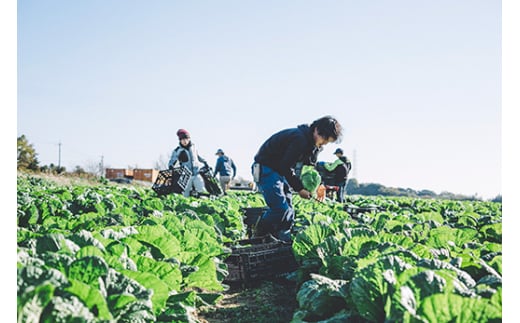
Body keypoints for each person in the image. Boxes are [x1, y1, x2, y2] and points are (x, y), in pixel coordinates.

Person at [251, 115, 343, 242]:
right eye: (324, 139)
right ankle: (258, 234)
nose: (324, 144)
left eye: (327, 142)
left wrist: (318, 186)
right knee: (280, 208)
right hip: (266, 168)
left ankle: (283, 239)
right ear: (316, 130)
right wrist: (299, 189)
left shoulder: (312, 145)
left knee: (289, 210)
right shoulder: (299, 139)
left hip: (280, 172)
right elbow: (285, 166)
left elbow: (310, 168)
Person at [168, 129, 208, 197]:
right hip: (186, 175)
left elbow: (198, 156)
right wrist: (171, 166)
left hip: (196, 173)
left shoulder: (193, 147)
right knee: (185, 193)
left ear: (189, 139)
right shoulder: (178, 150)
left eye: (186, 139)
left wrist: (205, 162)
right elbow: (172, 160)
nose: (184, 141)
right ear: (180, 140)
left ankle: (203, 203)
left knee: (201, 190)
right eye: (182, 139)